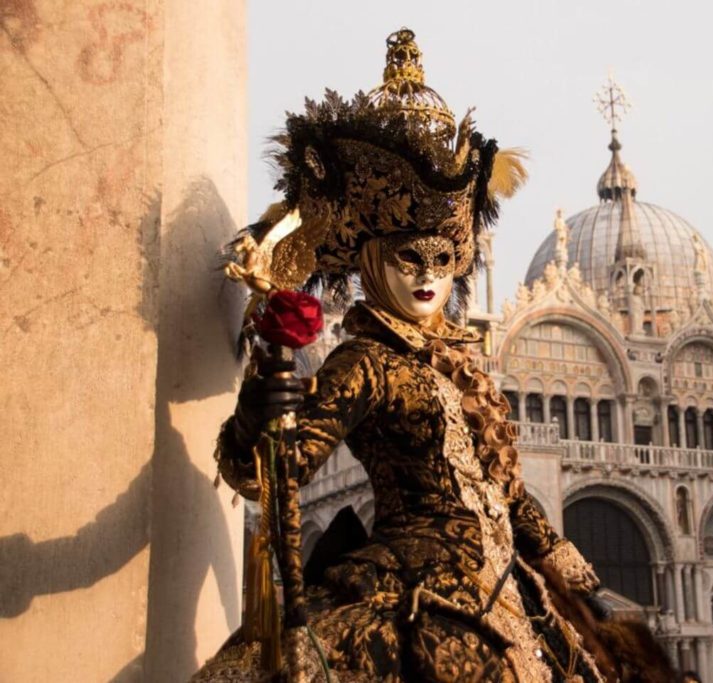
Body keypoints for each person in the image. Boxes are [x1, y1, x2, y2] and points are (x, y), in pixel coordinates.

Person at [193, 28, 674, 683]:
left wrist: (565, 567)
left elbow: (502, 493)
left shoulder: (461, 366)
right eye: (408, 258)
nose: (427, 276)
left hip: (508, 589)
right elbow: (273, 472)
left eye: (442, 260)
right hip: (413, 590)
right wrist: (260, 407)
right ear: (371, 260)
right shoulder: (364, 362)